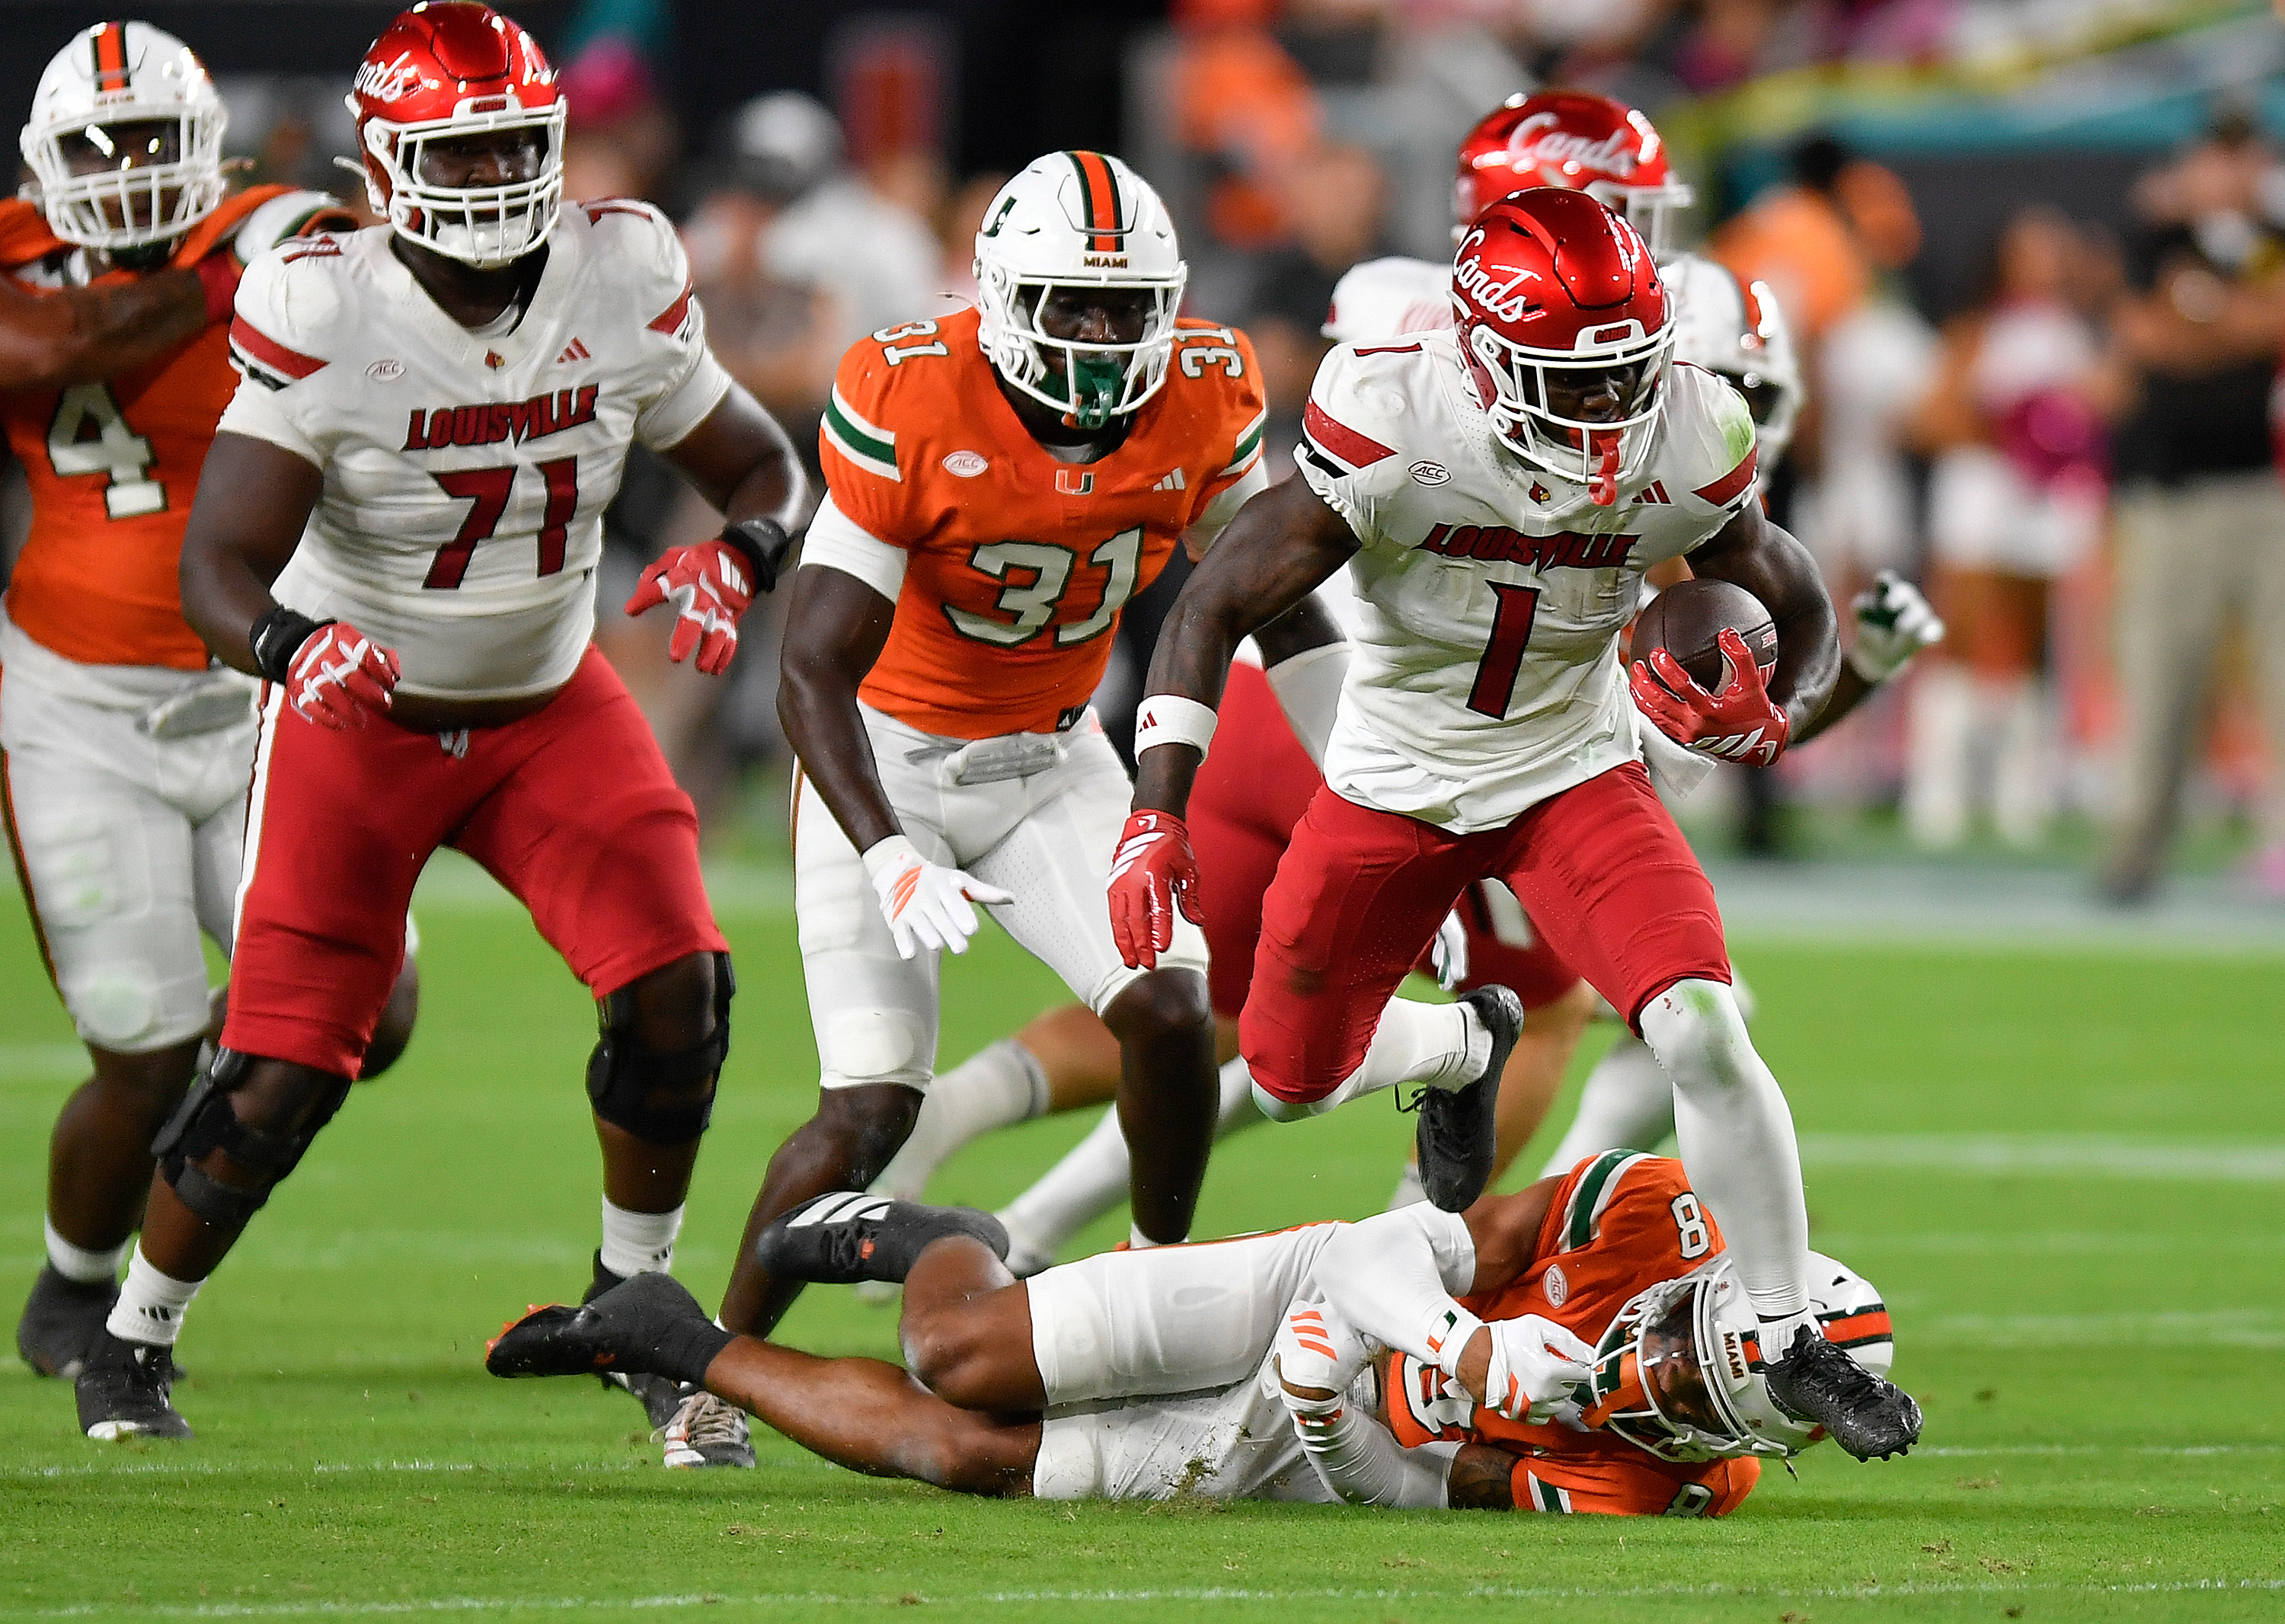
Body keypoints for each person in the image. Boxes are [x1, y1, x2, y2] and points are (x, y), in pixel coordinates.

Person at [865, 91, 1938, 1263]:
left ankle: (1012, 1182)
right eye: (1615, 207)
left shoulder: (1434, 311)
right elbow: (1640, 582)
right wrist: (1810, 670)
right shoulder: (1550, 362)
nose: (1634, 243)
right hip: (1416, 720)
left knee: (1212, 1019)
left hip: (1297, 704)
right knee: (1537, 1011)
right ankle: (1395, 1256)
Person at [76, 2, 807, 1447]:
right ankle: (131, 1334)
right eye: (459, 157)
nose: (491, 186)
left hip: (552, 704)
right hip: (366, 714)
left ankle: (634, 1308)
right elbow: (216, 565)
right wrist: (296, 645)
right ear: (386, 165)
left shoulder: (620, 271)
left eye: (514, 150)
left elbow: (763, 467)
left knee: (680, 995)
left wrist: (743, 556)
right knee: (282, 1071)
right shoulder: (324, 303)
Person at [1107, 184, 1922, 1462]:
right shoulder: (1396, 416)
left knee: (1702, 1023)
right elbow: (1211, 604)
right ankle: (1453, 1046)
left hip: (1570, 771)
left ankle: (1784, 1329)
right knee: (1284, 1081)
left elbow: (1786, 581)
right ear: (1484, 355)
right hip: (1394, 782)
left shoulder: (1685, 426)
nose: (1610, 413)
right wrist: (1156, 813)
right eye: (1574, 382)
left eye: (1627, 376)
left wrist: (1786, 700)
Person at [696, 151, 1271, 1472]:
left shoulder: (1201, 395)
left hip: (1054, 758)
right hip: (888, 757)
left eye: (1125, 310)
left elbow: (1266, 593)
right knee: (869, 1113)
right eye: (1070, 305)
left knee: (1175, 1015)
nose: (1100, 337)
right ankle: (713, 1364)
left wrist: (1369, 770)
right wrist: (888, 849)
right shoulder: (916, 388)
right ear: (1007, 296)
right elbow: (810, 667)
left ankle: (1150, 1286)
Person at [2, 19, 419, 1388]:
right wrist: (221, 269)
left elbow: (395, 271)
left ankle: (199, 1147)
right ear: (42, 165)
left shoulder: (284, 223)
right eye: (98, 148)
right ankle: (72, 1285)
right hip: (78, 707)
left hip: (264, 687)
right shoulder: (32, 252)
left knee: (375, 1003)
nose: (125, 169)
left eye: (151, 143)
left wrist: (334, 243)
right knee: (141, 1048)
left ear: (209, 146)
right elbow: (47, 346)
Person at [486, 1150, 1897, 1507]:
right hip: (1314, 1289)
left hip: (1315, 1440)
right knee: (958, 1353)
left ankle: (667, 1329)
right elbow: (1390, 1245)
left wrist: (1336, 1416)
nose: (1655, 1383)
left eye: (1699, 1402)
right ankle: (936, 1236)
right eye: (1681, 1347)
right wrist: (1454, 1342)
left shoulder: (1671, 1487)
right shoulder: (1648, 1212)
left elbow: (1430, 1485)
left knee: (978, 1459)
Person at [2101, 107, 2285, 902]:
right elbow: (2147, 339)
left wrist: (2206, 314)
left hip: (2265, 493)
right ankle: (2138, 852)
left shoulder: (2272, 236)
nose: (2229, 176)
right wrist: (2233, 321)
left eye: (2244, 159)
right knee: (2161, 680)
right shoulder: (2155, 242)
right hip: (2169, 499)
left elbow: (2260, 320)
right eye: (2217, 158)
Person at [1905, 207, 2120, 850]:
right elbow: (1927, 419)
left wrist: (2057, 435)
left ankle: (2018, 792)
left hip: (2042, 502)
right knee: (1959, 638)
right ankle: (1938, 787)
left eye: (2053, 251)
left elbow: (2100, 411)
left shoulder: (2074, 335)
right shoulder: (1976, 331)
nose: (2044, 263)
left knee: (2031, 644)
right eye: (2030, 251)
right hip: (1979, 492)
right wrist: (2002, 428)